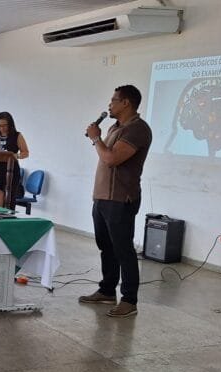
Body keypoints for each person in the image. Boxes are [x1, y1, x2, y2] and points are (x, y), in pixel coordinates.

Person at [80, 85, 152, 318]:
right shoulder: (115, 127)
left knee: (123, 250)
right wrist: (99, 138)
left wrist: (95, 138)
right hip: (103, 198)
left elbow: (111, 159)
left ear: (126, 103)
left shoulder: (137, 129)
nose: (109, 105)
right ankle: (107, 290)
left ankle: (129, 300)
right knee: (106, 247)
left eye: (113, 100)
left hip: (121, 199)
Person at [0, 112, 29, 207]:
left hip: (10, 172)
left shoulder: (17, 136)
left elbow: (25, 153)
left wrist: (16, 156)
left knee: (9, 199)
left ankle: (9, 215)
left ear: (10, 124)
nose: (2, 128)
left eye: (5, 125)